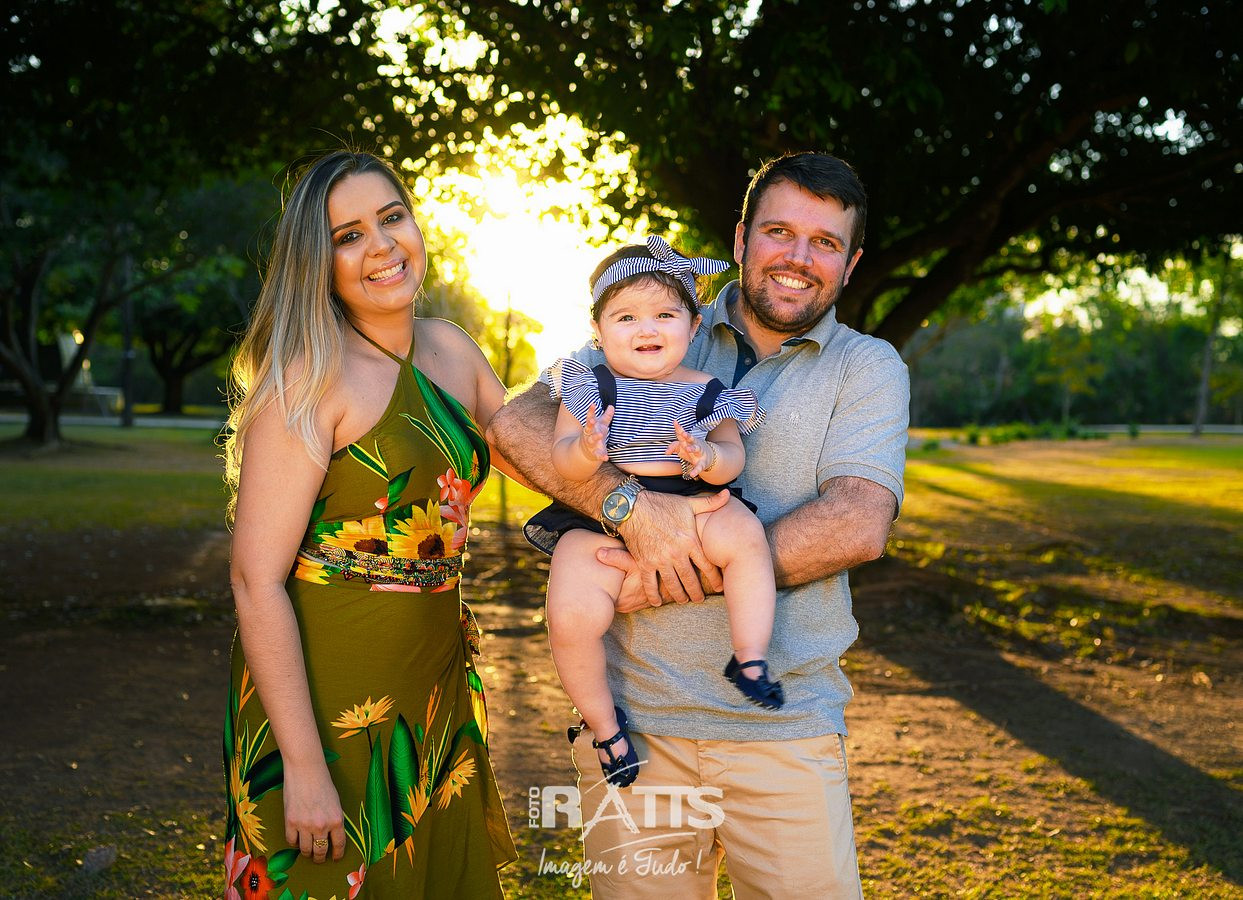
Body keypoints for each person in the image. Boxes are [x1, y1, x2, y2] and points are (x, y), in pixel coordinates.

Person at [488, 152, 909, 898]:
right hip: (635, 728)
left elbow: (856, 523)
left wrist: (665, 571)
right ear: (741, 239)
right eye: (778, 232)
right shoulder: (656, 313)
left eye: (825, 242)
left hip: (782, 735)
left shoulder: (867, 366)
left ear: (850, 264)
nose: (797, 257)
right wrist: (632, 511)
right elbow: (518, 426)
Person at [221, 150, 517, 899]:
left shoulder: (451, 348)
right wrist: (303, 766)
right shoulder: (306, 377)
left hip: (432, 682)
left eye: (392, 218)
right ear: (316, 264)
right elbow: (254, 580)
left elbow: (540, 457)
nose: (383, 246)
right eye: (348, 236)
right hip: (324, 703)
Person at [526, 236, 784, 789]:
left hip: (691, 499)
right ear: (597, 330)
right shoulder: (589, 385)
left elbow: (732, 455)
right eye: (626, 317)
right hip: (602, 512)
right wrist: (587, 450)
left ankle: (750, 656)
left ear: (694, 326)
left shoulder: (708, 390)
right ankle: (605, 728)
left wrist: (709, 458)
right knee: (570, 616)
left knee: (745, 537)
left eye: (665, 314)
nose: (647, 329)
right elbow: (563, 462)